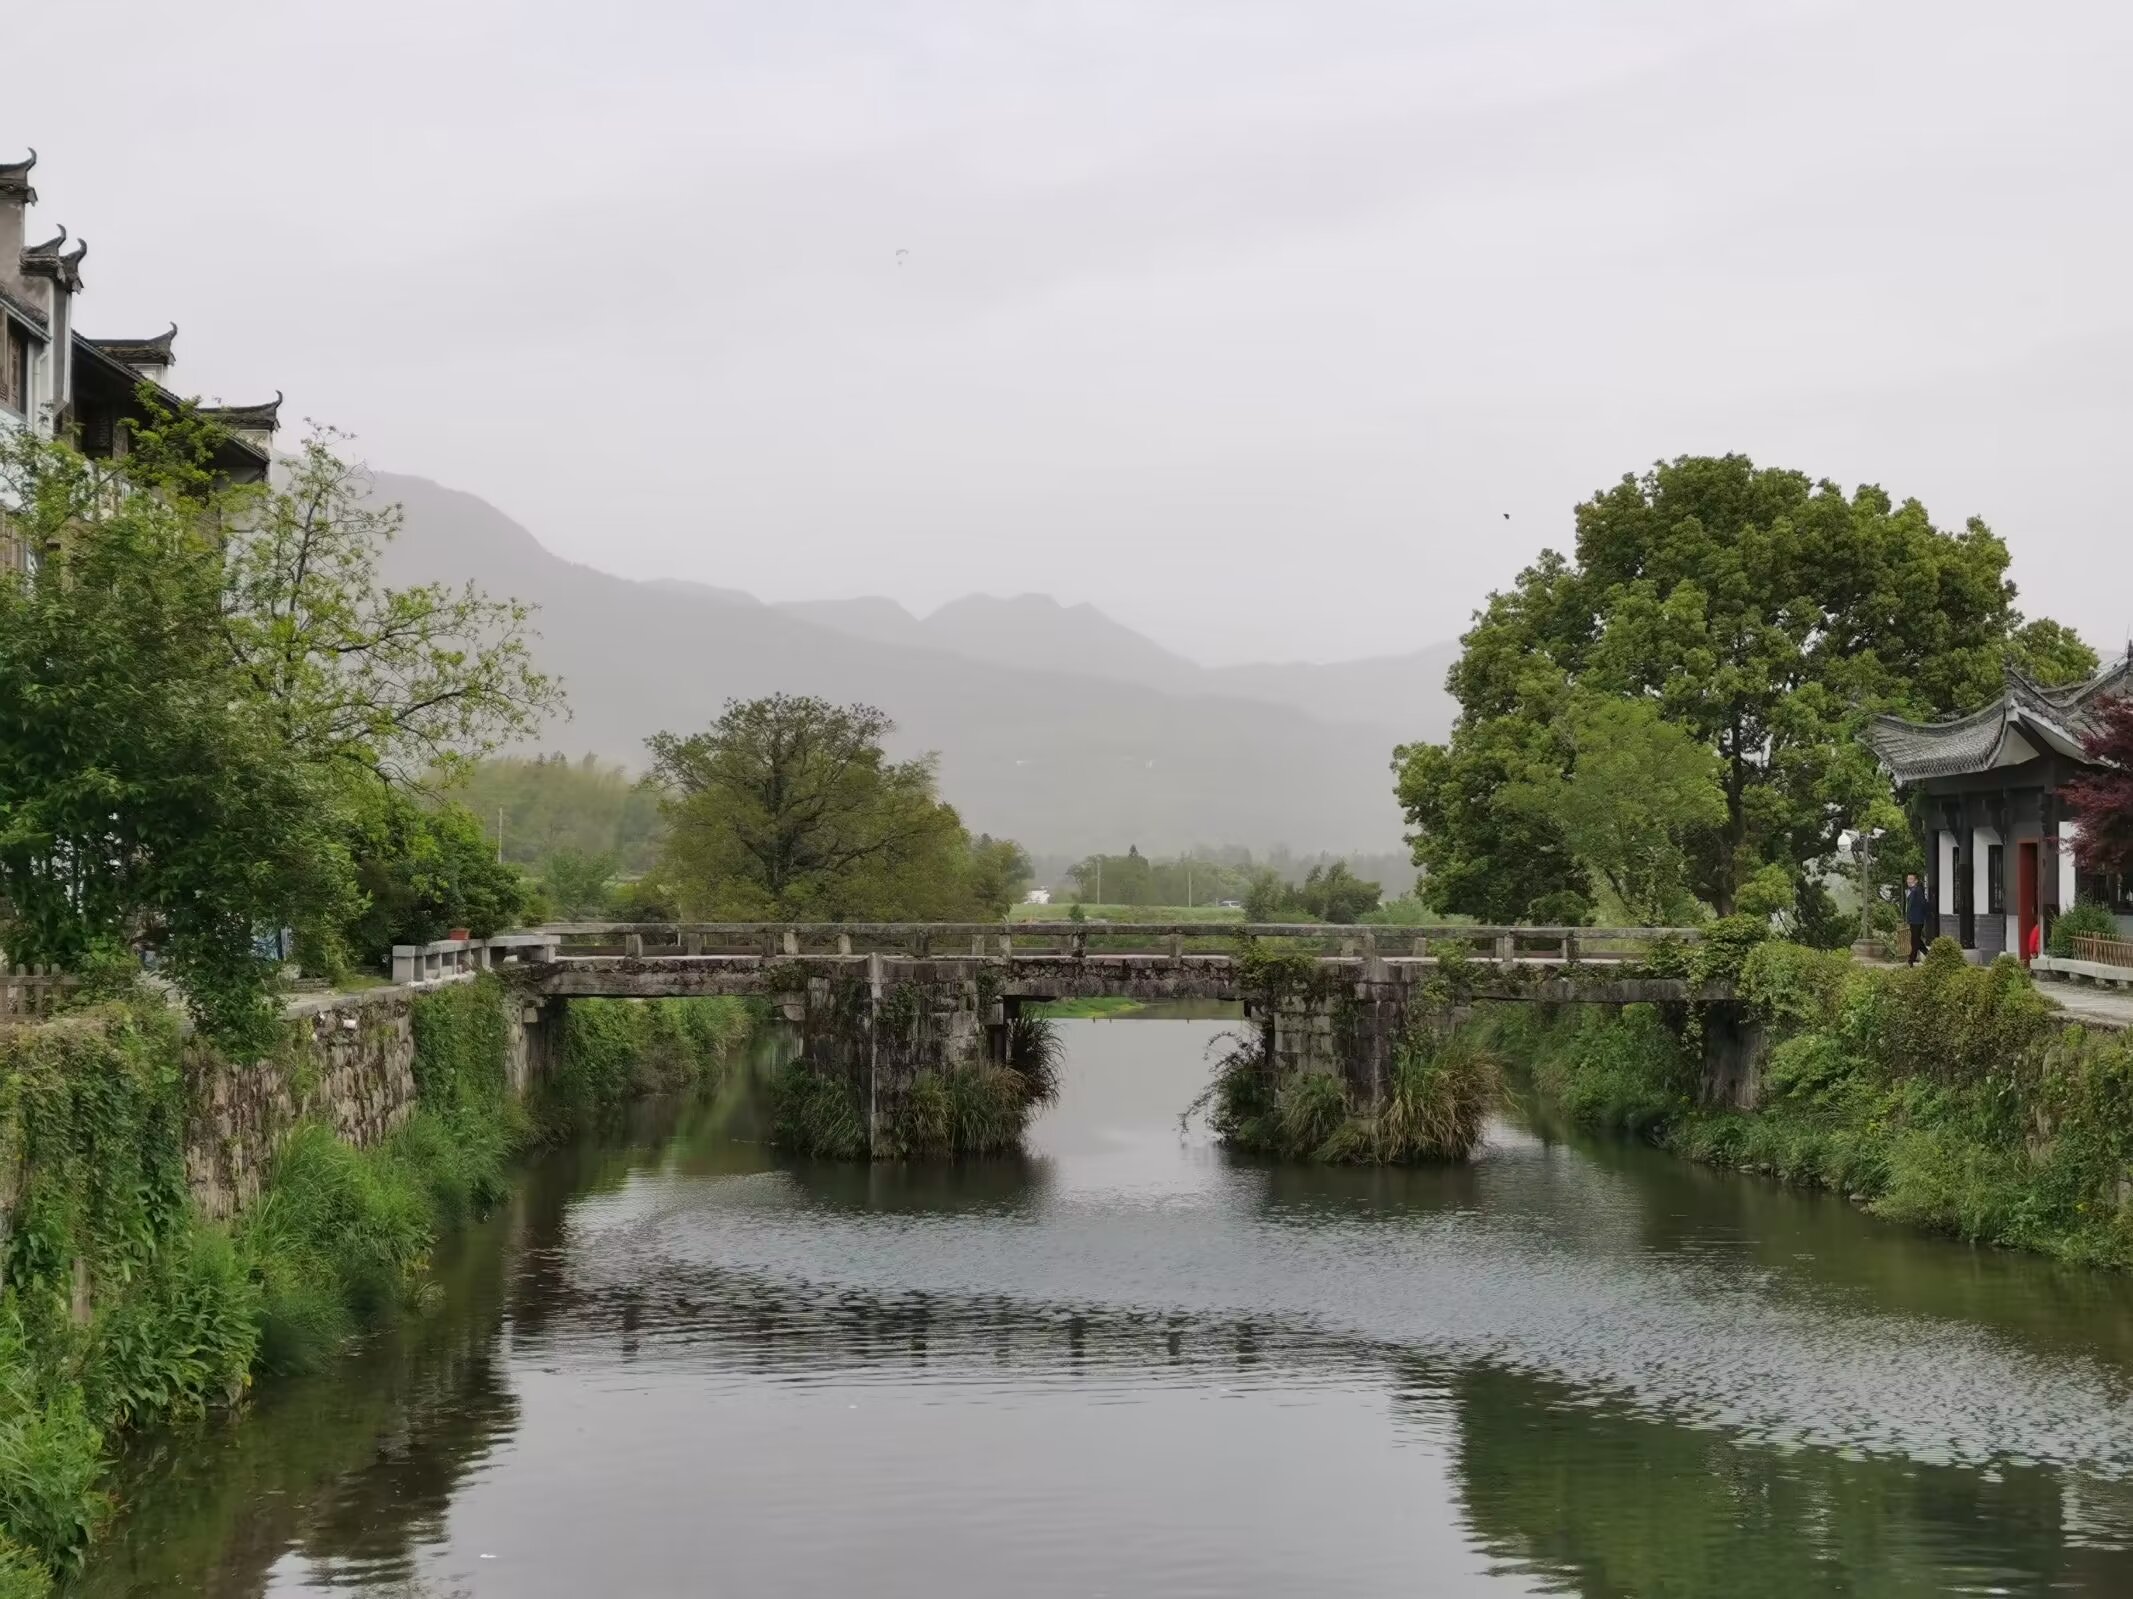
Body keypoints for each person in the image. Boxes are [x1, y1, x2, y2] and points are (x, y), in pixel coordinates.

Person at [1903, 872, 1931, 965]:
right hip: (1912, 919)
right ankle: (1929, 955)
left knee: (1915, 941)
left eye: (1911, 879)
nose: (1909, 881)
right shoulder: (1911, 891)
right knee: (1916, 940)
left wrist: (1925, 915)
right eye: (1908, 879)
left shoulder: (1917, 890)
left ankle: (1911, 961)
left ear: (1916, 881)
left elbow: (1923, 904)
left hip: (1917, 919)